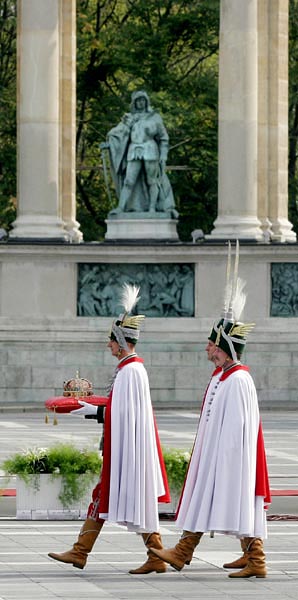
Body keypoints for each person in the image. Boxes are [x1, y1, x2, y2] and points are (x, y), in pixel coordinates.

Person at [151, 253, 271, 579]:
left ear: (223, 348)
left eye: (210, 345)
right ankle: (250, 558)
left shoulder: (239, 379)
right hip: (215, 456)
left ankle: (188, 553)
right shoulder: (224, 376)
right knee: (218, 502)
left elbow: (237, 430)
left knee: (230, 502)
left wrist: (222, 461)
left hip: (228, 459)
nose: (206, 350)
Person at [48, 283, 171, 574]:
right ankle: (84, 552)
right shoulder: (129, 369)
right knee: (107, 496)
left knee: (114, 496)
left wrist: (85, 408)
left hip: (128, 450)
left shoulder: (131, 370)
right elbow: (119, 410)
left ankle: (84, 553)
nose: (108, 345)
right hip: (125, 446)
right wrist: (87, 407)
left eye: (110, 340)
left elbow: (122, 413)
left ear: (120, 341)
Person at [101, 90, 177, 216]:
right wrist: (109, 143)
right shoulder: (129, 118)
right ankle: (121, 207)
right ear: (134, 103)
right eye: (138, 100)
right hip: (134, 150)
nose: (141, 103)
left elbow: (164, 138)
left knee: (152, 181)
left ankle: (152, 208)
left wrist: (163, 155)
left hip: (150, 149)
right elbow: (117, 133)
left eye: (143, 100)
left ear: (146, 102)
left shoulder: (155, 117)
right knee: (128, 181)